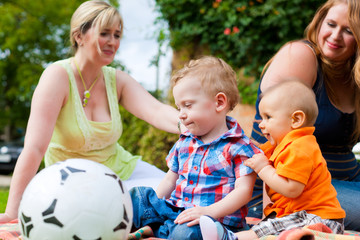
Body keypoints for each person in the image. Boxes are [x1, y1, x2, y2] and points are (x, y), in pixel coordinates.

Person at [0, 0, 181, 223]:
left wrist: (189, 122)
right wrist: (12, 211)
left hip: (122, 170)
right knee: (129, 213)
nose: (113, 42)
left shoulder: (117, 80)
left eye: (117, 35)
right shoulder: (57, 77)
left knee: (179, 194)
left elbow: (156, 111)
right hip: (75, 182)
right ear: (79, 36)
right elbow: (35, 148)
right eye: (105, 33)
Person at [248, 0, 360, 231]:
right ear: (319, 23)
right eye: (330, 24)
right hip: (302, 189)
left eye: (348, 30)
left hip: (348, 180)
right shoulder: (301, 56)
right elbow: (269, 135)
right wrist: (270, 214)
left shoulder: (354, 75)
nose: (335, 36)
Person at [129, 56, 261, 239]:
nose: (181, 115)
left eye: (187, 105)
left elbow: (244, 192)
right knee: (138, 197)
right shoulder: (184, 142)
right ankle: (157, 226)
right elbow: (169, 181)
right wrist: (152, 208)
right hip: (176, 212)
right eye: (178, 107)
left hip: (212, 222)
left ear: (219, 102)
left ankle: (163, 230)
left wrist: (208, 212)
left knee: (187, 232)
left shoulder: (239, 147)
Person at [200, 80, 345, 240]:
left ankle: (229, 238)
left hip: (319, 217)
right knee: (270, 225)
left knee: (267, 228)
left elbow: (292, 189)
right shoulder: (279, 145)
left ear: (296, 120)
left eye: (268, 117)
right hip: (295, 215)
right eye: (261, 118)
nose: (261, 125)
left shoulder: (301, 147)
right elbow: (254, 150)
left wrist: (263, 169)